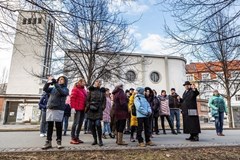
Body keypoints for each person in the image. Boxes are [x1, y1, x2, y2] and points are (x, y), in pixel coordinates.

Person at [42, 76, 69, 149]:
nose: (60, 80)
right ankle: (48, 142)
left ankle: (59, 142)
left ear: (65, 81)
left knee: (58, 126)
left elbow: (62, 92)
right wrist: (48, 82)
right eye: (59, 79)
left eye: (62, 79)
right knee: (49, 126)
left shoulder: (65, 89)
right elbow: (45, 89)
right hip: (50, 108)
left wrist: (55, 83)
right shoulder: (53, 88)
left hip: (59, 109)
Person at [85, 80, 106, 146]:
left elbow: (104, 101)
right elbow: (87, 100)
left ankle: (100, 140)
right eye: (97, 82)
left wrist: (102, 108)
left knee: (98, 124)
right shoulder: (91, 91)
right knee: (92, 125)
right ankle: (95, 140)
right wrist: (88, 106)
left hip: (98, 110)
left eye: (99, 82)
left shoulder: (102, 92)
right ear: (94, 83)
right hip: (91, 110)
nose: (98, 83)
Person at [70, 79, 87, 144]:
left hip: (83, 108)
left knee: (80, 123)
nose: (84, 83)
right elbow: (72, 98)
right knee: (75, 123)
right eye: (83, 82)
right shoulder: (75, 89)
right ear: (80, 82)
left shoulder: (84, 90)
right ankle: (72, 138)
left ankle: (77, 137)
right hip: (77, 109)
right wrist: (73, 107)